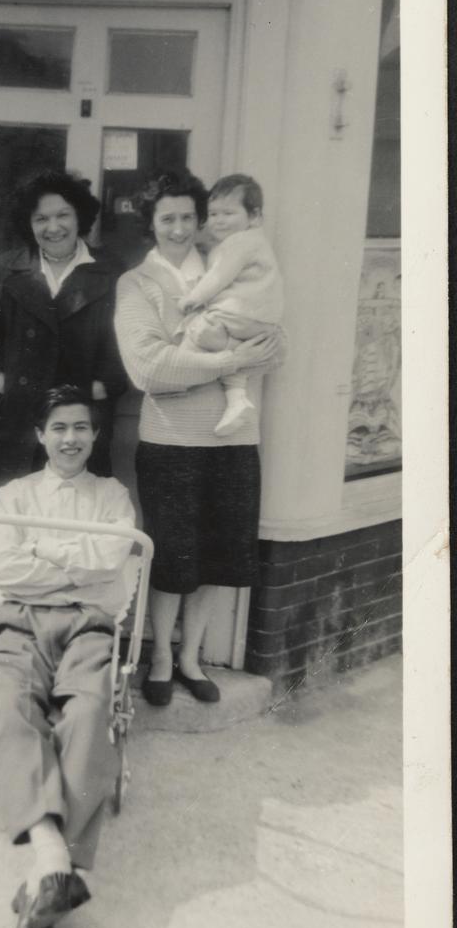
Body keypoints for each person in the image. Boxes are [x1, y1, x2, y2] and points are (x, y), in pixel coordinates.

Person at [114, 169, 286, 708]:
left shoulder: (228, 265)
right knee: (172, 559)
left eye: (189, 217)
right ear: (151, 224)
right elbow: (149, 369)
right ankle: (161, 658)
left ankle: (191, 658)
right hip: (171, 440)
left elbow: (275, 347)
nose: (180, 228)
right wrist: (231, 360)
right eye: (168, 218)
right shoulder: (137, 284)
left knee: (214, 558)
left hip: (234, 440)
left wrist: (205, 361)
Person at [0, 385, 136, 928]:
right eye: (60, 428)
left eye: (81, 427)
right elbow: (3, 570)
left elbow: (112, 561)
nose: (71, 438)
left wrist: (43, 552)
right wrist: (76, 563)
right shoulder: (14, 495)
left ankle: (43, 874)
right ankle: (54, 860)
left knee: (90, 712)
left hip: (90, 624)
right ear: (40, 436)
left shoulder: (112, 496)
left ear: (95, 435)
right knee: (8, 704)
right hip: (20, 622)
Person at [0, 169, 128, 486]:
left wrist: (102, 386)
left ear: (79, 216)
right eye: (41, 219)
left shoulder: (112, 271)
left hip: (80, 420)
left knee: (78, 506)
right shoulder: (5, 270)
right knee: (16, 505)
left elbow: (125, 342)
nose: (53, 227)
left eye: (63, 215)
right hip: (17, 418)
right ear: (28, 223)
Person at [176, 173, 284, 436]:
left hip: (238, 312)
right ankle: (237, 401)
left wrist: (192, 298)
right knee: (235, 366)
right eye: (213, 214)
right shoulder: (255, 242)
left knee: (196, 330)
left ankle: (182, 376)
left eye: (228, 213)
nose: (219, 220)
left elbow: (218, 277)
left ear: (254, 216)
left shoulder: (239, 242)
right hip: (261, 321)